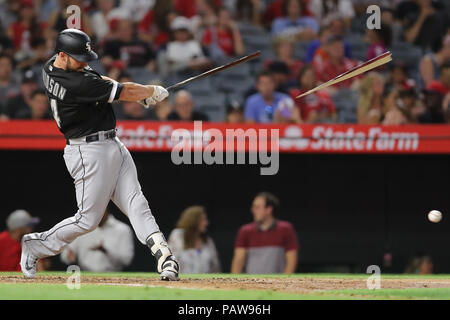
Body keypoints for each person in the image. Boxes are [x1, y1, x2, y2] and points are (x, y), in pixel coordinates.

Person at [20, 29, 179, 281]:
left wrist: (142, 95)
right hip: (87, 151)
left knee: (137, 203)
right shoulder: (73, 82)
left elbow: (99, 82)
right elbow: (119, 91)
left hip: (111, 142)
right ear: (62, 55)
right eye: (77, 57)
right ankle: (36, 245)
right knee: (87, 220)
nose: (84, 62)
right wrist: (151, 92)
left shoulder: (52, 65)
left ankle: (165, 256)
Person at [231, 192, 299, 274]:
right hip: (252, 284)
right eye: (253, 207)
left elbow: (291, 260)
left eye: (257, 207)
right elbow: (239, 259)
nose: (253, 210)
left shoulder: (285, 229)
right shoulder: (245, 231)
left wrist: (286, 282)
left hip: (277, 284)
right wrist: (235, 283)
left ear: (269, 209)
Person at [60, 205, 134, 272]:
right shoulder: (81, 228)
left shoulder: (122, 230)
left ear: (106, 209)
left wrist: (106, 251)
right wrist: (69, 257)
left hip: (113, 276)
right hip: (85, 276)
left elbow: (126, 260)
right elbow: (66, 256)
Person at [168, 206, 221, 273]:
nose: (206, 223)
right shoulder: (178, 235)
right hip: (181, 281)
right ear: (193, 221)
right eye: (203, 220)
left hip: (205, 282)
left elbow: (215, 267)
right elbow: (170, 262)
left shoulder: (208, 241)